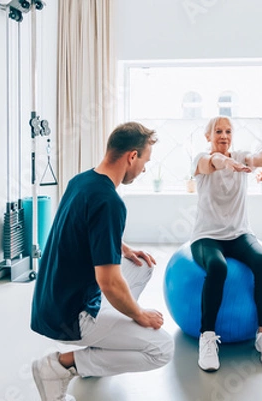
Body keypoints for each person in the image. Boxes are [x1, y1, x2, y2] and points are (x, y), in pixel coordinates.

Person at [30, 122, 174, 401]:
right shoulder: (110, 201)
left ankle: (109, 338)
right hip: (71, 317)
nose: (144, 169)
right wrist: (139, 315)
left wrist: (123, 248)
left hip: (51, 302)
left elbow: (83, 227)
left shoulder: (82, 180)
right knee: (162, 349)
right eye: (145, 160)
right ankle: (60, 366)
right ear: (132, 156)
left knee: (141, 266)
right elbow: (107, 282)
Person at [190, 116, 262, 372]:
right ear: (208, 136)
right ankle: (207, 337)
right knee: (217, 267)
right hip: (206, 237)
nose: (223, 135)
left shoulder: (240, 156)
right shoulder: (200, 160)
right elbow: (212, 162)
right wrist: (225, 161)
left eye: (228, 131)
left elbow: (258, 156)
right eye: (218, 131)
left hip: (239, 234)